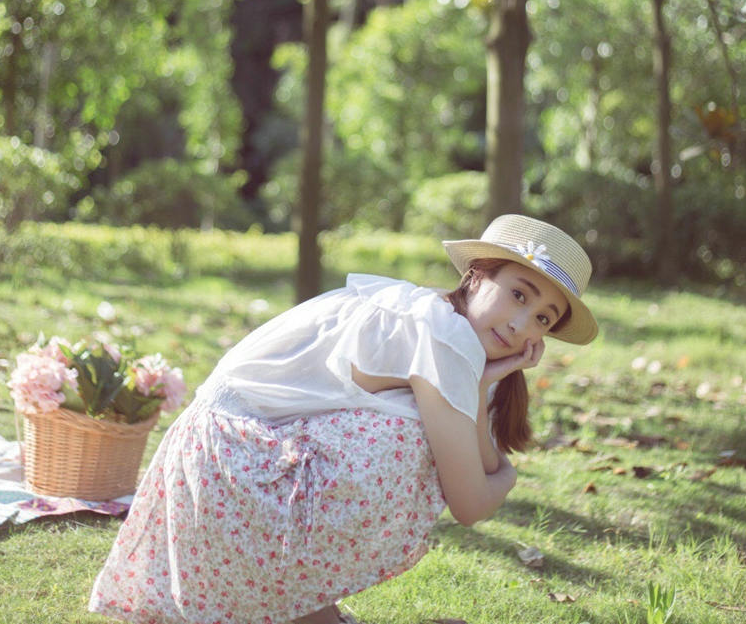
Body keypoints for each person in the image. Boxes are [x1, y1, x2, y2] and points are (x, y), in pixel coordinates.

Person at [89, 214, 598, 624]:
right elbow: (470, 500)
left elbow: (471, 445)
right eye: (519, 293)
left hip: (216, 472)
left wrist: (486, 384)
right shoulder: (443, 335)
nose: (520, 323)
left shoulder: (433, 323)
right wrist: (507, 476)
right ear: (476, 274)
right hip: (229, 474)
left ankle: (307, 610)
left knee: (417, 430)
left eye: (542, 318)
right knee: (411, 442)